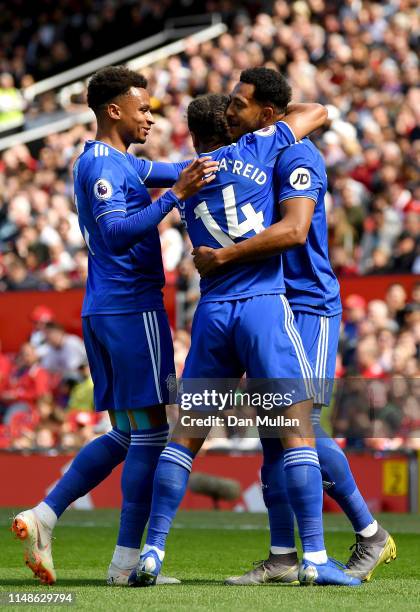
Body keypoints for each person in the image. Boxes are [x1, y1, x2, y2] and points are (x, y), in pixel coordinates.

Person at [129, 89, 360, 587]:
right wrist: (260, 126)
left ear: (194, 136)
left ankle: (152, 550)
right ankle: (315, 557)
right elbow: (317, 111)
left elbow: (154, 181)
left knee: (185, 439)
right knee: (295, 431)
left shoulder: (187, 178)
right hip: (263, 309)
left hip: (211, 314)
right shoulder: (257, 147)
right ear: (232, 126)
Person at [12, 66, 218, 586]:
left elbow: (176, 169)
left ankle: (45, 515)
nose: (151, 116)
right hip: (130, 307)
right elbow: (115, 235)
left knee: (127, 432)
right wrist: (174, 200)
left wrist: (226, 161)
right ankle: (127, 563)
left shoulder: (122, 162)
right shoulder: (101, 166)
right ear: (114, 111)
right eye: (143, 108)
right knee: (151, 434)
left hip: (107, 308)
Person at [193, 67, 396, 584]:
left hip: (307, 305)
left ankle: (370, 533)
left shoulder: (297, 155)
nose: (227, 112)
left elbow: (295, 229)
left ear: (266, 114)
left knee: (298, 427)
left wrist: (225, 257)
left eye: (238, 104)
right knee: (272, 431)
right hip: (274, 303)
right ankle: (283, 557)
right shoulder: (254, 155)